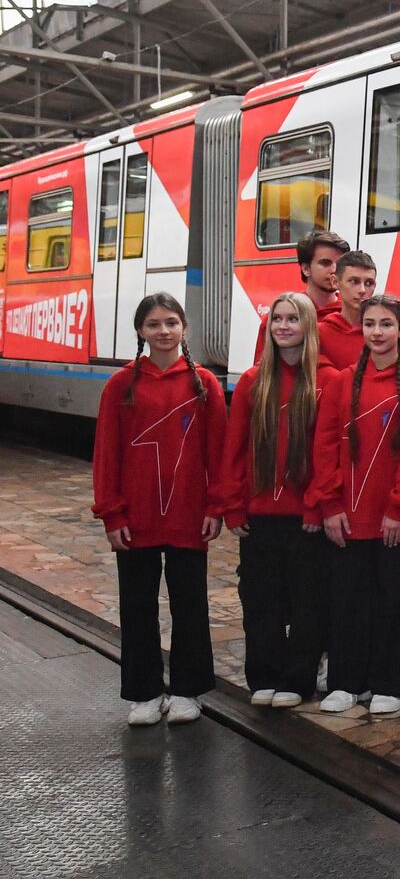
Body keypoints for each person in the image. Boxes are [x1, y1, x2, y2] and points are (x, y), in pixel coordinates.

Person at [92, 293, 226, 727]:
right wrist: (112, 512)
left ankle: (188, 690)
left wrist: (216, 503)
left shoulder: (203, 383)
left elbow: (218, 453)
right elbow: (106, 453)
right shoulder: (121, 385)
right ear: (140, 331)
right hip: (136, 517)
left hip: (189, 514)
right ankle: (144, 692)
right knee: (137, 606)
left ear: (184, 328)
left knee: (190, 604)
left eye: (171, 322)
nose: (163, 331)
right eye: (153, 324)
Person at [311, 295, 400, 715]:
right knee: (347, 601)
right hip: (346, 517)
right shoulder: (342, 383)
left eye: (386, 324)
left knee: (394, 602)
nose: (377, 332)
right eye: (369, 324)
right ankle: (347, 681)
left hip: (392, 521)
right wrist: (329, 503)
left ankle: (389, 681)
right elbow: (324, 444)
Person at [222, 292, 326, 709]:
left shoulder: (325, 380)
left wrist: (318, 505)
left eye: (293, 319)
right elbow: (234, 449)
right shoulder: (252, 381)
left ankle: (297, 679)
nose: (284, 326)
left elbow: (328, 452)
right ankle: (263, 674)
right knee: (261, 601)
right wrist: (233, 503)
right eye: (277, 319)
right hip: (260, 516)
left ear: (308, 326)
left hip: (305, 518)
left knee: (306, 602)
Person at [254, 229, 350, 359]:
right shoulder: (279, 318)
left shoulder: (352, 315)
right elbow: (262, 371)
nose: (334, 270)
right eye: (325, 263)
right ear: (306, 269)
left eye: (339, 264)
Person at [318, 250, 377, 370]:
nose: (362, 290)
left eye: (369, 283)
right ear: (335, 282)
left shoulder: (383, 333)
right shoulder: (319, 333)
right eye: (354, 281)